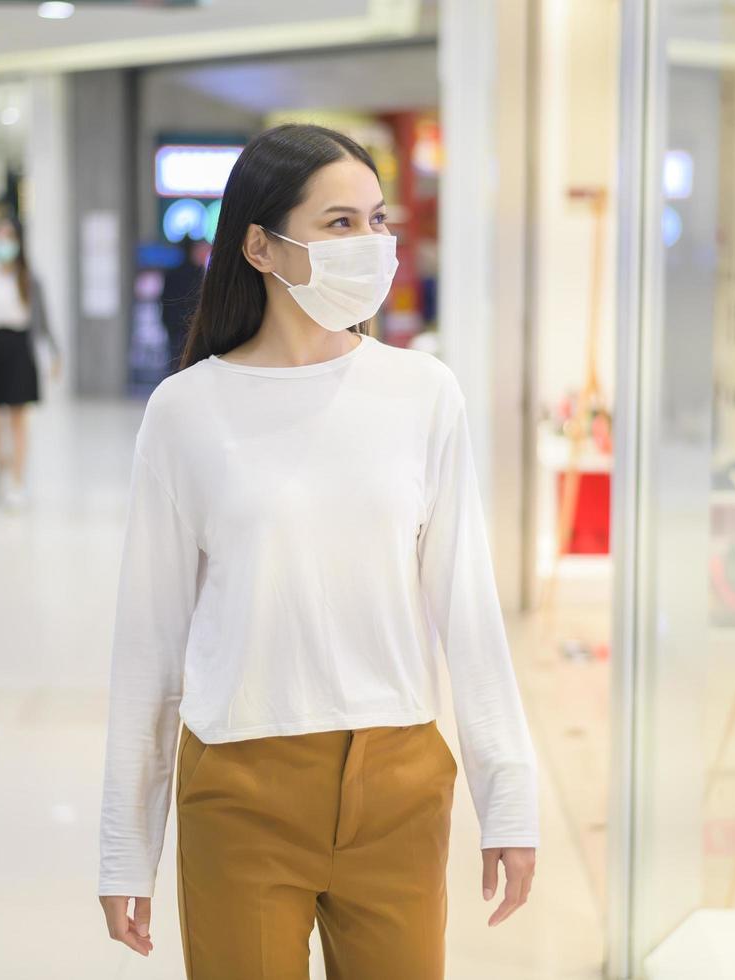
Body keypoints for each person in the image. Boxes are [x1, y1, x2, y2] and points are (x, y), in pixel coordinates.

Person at [97, 124, 539, 978]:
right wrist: (126, 844)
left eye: (378, 221)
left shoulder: (423, 393)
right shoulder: (186, 412)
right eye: (339, 223)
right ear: (260, 245)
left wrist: (508, 799)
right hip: (240, 785)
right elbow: (147, 645)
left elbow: (469, 612)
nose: (371, 245)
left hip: (398, 780)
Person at [0, 218, 60, 507]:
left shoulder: (28, 278)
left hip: (19, 348)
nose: (4, 243)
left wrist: (55, 353)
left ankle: (17, 480)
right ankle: (1, 460)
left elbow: (43, 320)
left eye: (9, 237)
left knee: (18, 416)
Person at [159, 236, 207, 377]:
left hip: (174, 326)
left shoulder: (171, 272)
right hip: (190, 326)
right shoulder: (197, 273)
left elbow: (164, 299)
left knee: (175, 362)